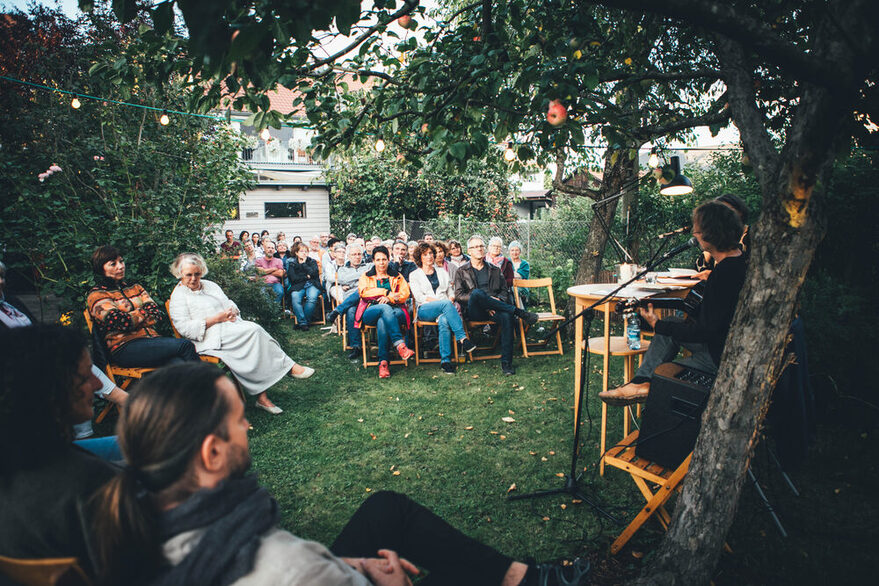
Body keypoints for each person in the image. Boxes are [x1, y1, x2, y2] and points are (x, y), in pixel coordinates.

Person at [89, 363, 591, 586]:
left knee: (386, 509)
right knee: (443, 565)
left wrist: (343, 565)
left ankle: (516, 578)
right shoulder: (286, 566)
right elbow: (290, 573)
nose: (248, 424)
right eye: (239, 418)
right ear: (213, 452)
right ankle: (518, 580)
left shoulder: (123, 524)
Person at [599, 200, 748, 405]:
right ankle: (641, 381)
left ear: (711, 234)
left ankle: (648, 382)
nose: (694, 235)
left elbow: (705, 331)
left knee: (664, 372)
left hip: (721, 356)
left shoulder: (723, 275)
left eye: (697, 230)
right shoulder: (739, 262)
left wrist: (657, 324)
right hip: (724, 343)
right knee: (674, 326)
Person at [0, 325, 118, 578]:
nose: (98, 384)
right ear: (51, 389)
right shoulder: (92, 483)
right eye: (85, 377)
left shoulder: (16, 454)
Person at [168, 254, 314, 415]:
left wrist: (232, 312)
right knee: (254, 332)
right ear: (179, 274)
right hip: (206, 339)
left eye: (197, 274)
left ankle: (264, 396)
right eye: (189, 275)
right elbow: (185, 329)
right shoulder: (179, 296)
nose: (194, 278)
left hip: (229, 329)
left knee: (254, 338)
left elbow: (228, 302)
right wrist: (217, 318)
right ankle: (288, 367)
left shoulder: (209, 285)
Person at [1, 261, 128, 439]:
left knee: (74, 361)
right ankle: (119, 406)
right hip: (21, 369)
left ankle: (86, 434)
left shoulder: (11, 303)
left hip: (41, 356)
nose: (0, 282)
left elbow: (36, 331)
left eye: (1, 277)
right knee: (70, 369)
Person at [87, 245, 199, 368]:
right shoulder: (97, 295)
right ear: (101, 268)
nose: (120, 266)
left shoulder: (135, 287)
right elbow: (122, 322)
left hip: (151, 341)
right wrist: (143, 313)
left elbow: (156, 314)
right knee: (185, 345)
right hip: (124, 348)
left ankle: (195, 386)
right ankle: (210, 385)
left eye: (121, 261)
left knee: (178, 364)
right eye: (113, 264)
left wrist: (133, 317)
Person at [454, 236, 538, 376]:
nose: (479, 249)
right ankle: (518, 311)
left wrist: (497, 300)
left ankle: (507, 364)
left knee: (506, 317)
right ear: (469, 250)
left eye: (481, 246)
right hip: (475, 310)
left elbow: (504, 291)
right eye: (475, 247)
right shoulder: (462, 271)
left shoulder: (494, 269)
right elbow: (458, 295)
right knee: (477, 294)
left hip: (496, 309)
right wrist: (487, 302)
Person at [409, 243, 476, 374]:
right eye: (425, 254)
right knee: (445, 305)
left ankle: (445, 361)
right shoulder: (414, 275)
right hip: (425, 309)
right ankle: (463, 338)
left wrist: (450, 298)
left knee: (445, 321)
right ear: (419, 257)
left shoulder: (442, 272)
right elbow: (419, 297)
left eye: (430, 254)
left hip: (445, 309)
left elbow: (450, 292)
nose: (429, 257)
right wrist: (444, 302)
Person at [355, 246, 415, 379]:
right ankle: (400, 345)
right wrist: (385, 292)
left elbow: (405, 294)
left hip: (396, 310)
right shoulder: (366, 276)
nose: (381, 263)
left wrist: (390, 298)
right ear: (373, 261)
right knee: (384, 309)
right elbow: (363, 292)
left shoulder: (397, 276)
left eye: (384, 259)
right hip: (371, 310)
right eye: (378, 260)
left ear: (389, 260)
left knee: (383, 320)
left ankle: (383, 363)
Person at [326, 244, 371, 359]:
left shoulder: (369, 266)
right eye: (354, 254)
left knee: (360, 291)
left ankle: (337, 311)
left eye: (359, 254)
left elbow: (366, 279)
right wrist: (362, 277)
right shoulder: (342, 269)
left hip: (367, 297)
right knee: (351, 311)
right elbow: (343, 279)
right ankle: (356, 347)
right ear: (348, 256)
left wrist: (352, 282)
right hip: (351, 298)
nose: (357, 257)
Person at [287, 242, 322, 330]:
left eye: (306, 251)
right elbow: (293, 279)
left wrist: (304, 264)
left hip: (313, 284)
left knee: (312, 297)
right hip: (298, 285)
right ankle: (303, 322)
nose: (304, 253)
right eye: (302, 251)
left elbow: (314, 274)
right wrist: (306, 276)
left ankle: (303, 322)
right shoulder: (292, 264)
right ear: (296, 253)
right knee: (295, 297)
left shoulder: (312, 261)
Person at [508, 241, 530, 306]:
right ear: (509, 252)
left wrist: (511, 275)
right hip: (508, 286)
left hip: (522, 287)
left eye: (517, 250)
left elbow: (521, 277)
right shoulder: (506, 261)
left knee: (514, 289)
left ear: (520, 252)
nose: (514, 253)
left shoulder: (524, 264)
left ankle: (520, 311)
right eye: (512, 250)